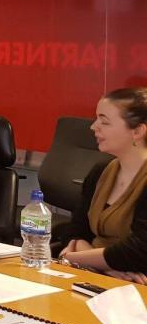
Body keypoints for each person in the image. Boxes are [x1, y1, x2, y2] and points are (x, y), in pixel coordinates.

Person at [59, 87, 147, 283]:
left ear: (138, 131)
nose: (93, 127)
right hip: (100, 274)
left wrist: (72, 257)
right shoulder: (101, 172)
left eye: (104, 122)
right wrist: (105, 268)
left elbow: (140, 249)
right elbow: (74, 231)